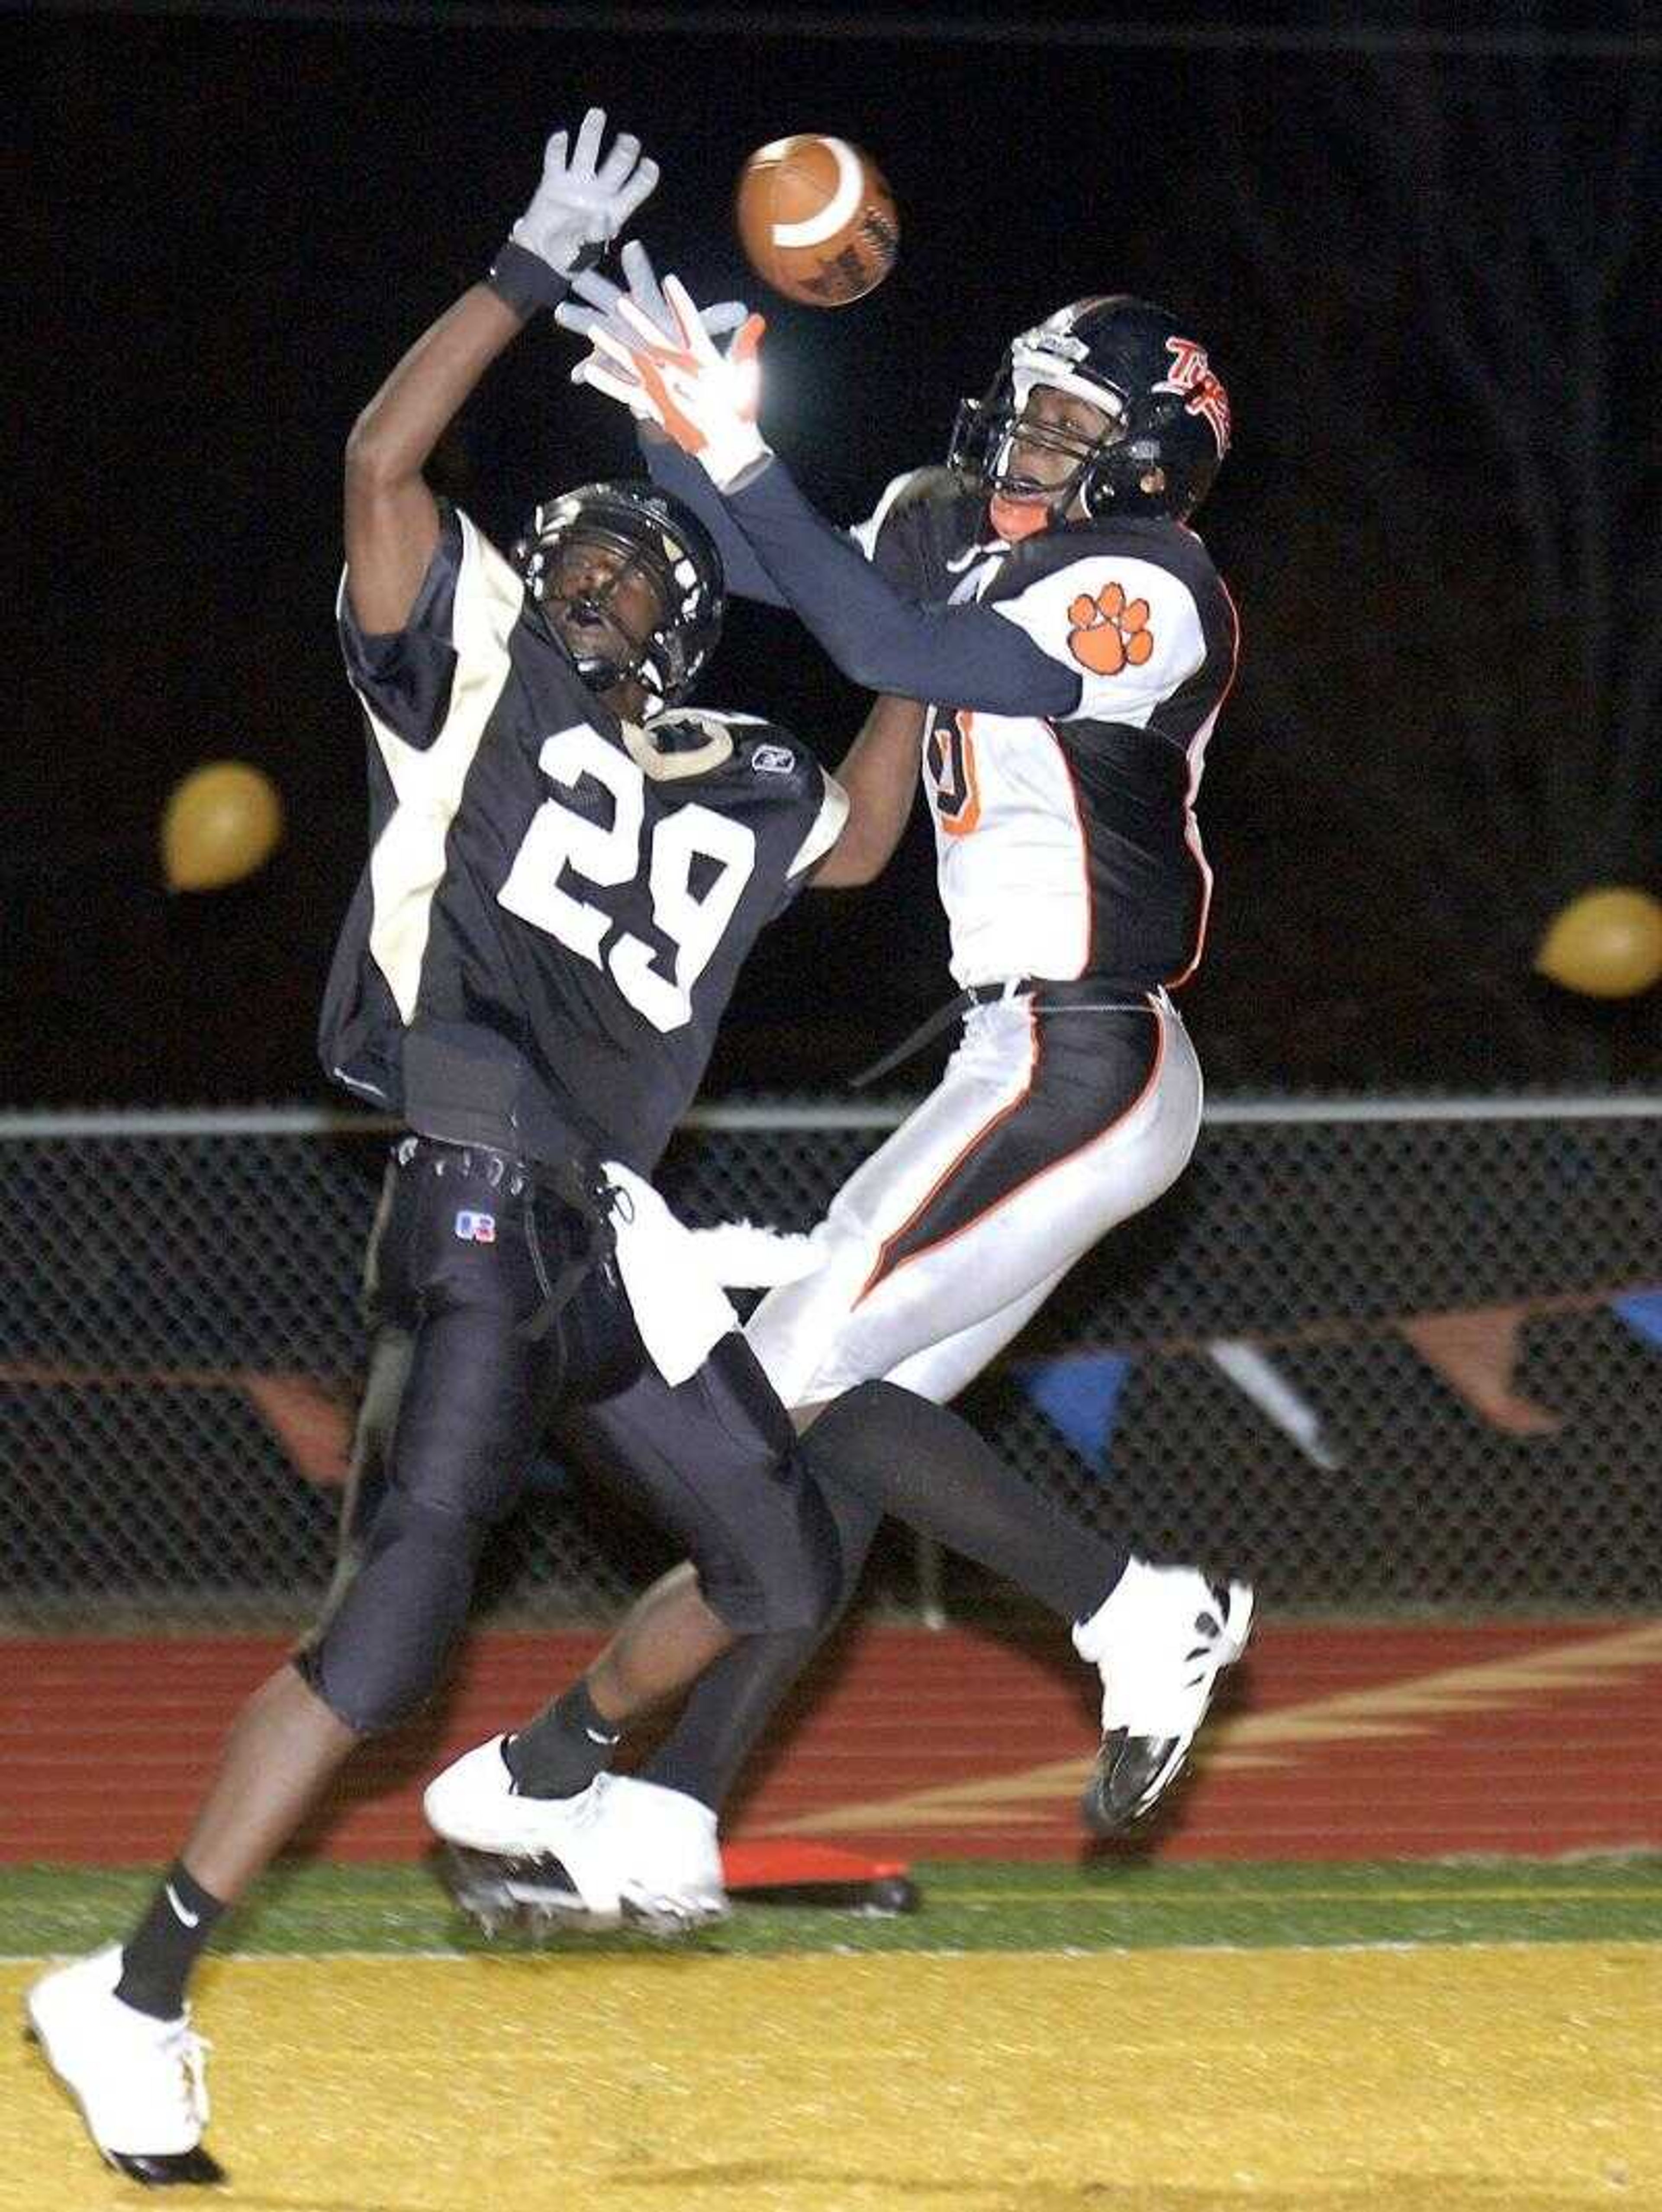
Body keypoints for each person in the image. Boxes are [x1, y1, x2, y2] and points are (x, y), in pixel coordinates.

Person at [23, 111, 872, 2188]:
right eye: (577, 554)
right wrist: (515, 269)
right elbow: (382, 471)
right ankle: (129, 1995)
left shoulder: (746, 773)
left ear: (683, 630)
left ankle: (552, 1768)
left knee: (782, 1557)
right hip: (480, 1197)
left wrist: (925, 654)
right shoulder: (466, 661)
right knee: (393, 1631)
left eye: (630, 573)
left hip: (614, 1236)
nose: (592, 582)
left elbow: (856, 839)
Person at [421, 245, 1253, 1932]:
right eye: (1029, 401)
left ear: (1152, 456)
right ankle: (670, 1819)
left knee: (766, 1394)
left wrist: (733, 457)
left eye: (1072, 416)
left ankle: (1123, 1614)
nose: (1029, 435)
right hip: (1023, 1059)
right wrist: (678, 433)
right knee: (832, 1458)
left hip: (1083, 1053)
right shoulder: (960, 527)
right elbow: (772, 570)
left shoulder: (1153, 584)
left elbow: (876, 631)